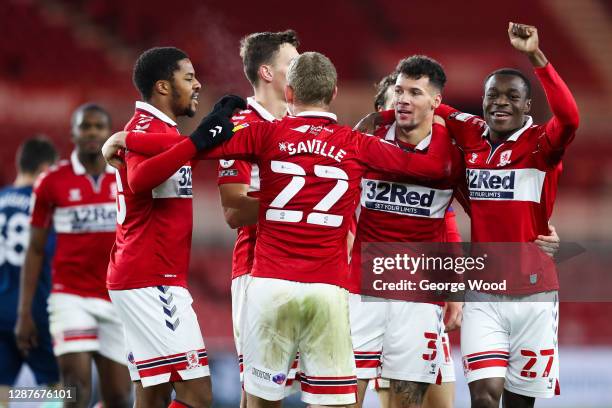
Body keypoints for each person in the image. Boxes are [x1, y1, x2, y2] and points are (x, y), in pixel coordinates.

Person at [104, 51, 456, 407]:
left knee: (259, 400)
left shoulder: (265, 134)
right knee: (337, 402)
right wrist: (440, 120)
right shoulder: (356, 143)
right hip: (327, 290)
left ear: (289, 93)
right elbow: (431, 167)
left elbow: (195, 147)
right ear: (334, 92)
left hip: (270, 287)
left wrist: (129, 140)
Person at [435, 22, 579, 408]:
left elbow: (570, 118)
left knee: (519, 402)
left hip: (534, 294)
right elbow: (430, 103)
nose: (500, 102)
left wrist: (536, 56)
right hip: (483, 294)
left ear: (527, 105)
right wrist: (382, 117)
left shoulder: (541, 146)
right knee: (483, 395)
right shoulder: (471, 136)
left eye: (511, 96)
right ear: (481, 101)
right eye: (492, 95)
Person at [105, 46, 236, 408]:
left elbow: (190, 150)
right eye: (189, 77)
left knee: (154, 394)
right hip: (151, 280)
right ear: (163, 86)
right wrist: (197, 140)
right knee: (198, 395)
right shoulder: (145, 127)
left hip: (145, 275)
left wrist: (206, 136)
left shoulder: (156, 133)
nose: (198, 84)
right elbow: (140, 180)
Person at [348, 56, 465, 408]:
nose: (403, 99)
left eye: (415, 92)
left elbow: (465, 216)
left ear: (436, 102)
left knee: (408, 400)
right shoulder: (367, 139)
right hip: (362, 288)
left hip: (418, 295)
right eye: (399, 90)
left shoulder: (452, 156)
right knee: (341, 396)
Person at [15, 105, 131, 408]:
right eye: (85, 126)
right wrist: (24, 312)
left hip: (115, 298)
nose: (92, 132)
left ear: (109, 133)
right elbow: (36, 249)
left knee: (119, 397)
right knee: (76, 390)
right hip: (70, 297)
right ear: (73, 134)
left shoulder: (125, 175)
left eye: (98, 126)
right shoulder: (52, 182)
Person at [216, 30, 300, 406]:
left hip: (308, 272)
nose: (300, 71)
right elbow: (233, 210)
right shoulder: (238, 126)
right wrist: (300, 203)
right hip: (258, 271)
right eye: (292, 64)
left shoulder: (304, 126)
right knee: (263, 396)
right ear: (267, 73)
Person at [0, 138, 59, 405]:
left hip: (0, 313)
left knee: (2, 390)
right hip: (33, 314)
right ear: (45, 168)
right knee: (64, 388)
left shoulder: (0, 199)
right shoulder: (44, 207)